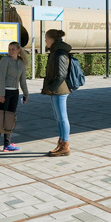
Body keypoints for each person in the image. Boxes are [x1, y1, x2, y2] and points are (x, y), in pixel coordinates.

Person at [0, 41, 29, 157]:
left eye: (13, 49)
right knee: (0, 119)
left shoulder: (21, 63)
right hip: (4, 92)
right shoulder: (5, 60)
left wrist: (26, 94)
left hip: (14, 93)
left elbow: (23, 80)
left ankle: (7, 144)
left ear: (18, 50)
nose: (11, 51)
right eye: (9, 49)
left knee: (10, 119)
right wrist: (1, 95)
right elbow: (1, 78)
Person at [42, 29, 72, 157]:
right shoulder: (55, 51)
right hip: (56, 90)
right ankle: (61, 143)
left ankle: (65, 145)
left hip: (59, 90)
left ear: (51, 39)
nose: (45, 40)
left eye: (46, 38)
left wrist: (52, 88)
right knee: (59, 118)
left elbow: (61, 74)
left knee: (62, 118)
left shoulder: (60, 53)